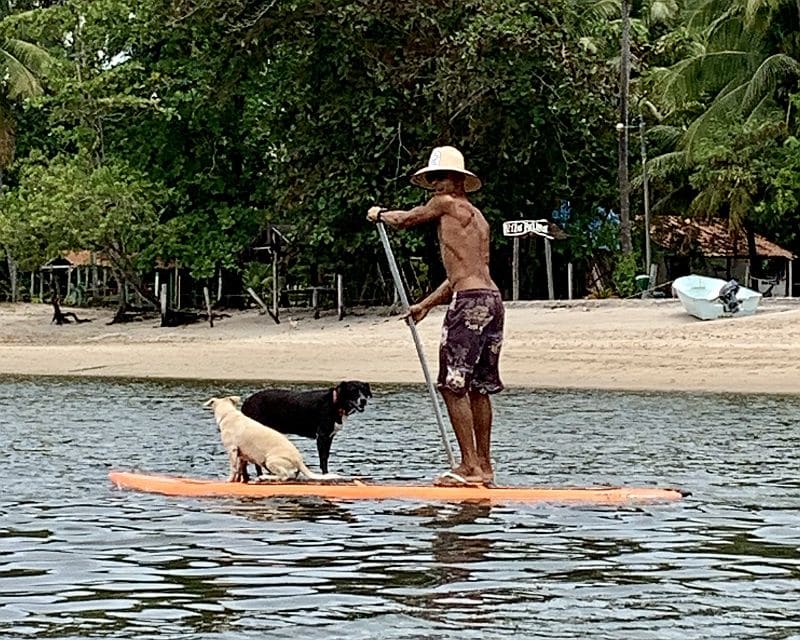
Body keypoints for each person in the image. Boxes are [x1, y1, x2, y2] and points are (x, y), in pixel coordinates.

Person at [367, 145, 504, 486]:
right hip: (491, 300)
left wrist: (380, 214)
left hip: (471, 302)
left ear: (457, 180)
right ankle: (484, 467)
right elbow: (463, 273)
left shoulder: (445, 204)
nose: (434, 186)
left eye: (439, 178)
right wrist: (426, 304)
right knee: (477, 387)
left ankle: (470, 467)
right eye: (432, 180)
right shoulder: (479, 218)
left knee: (452, 386)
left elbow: (406, 220)